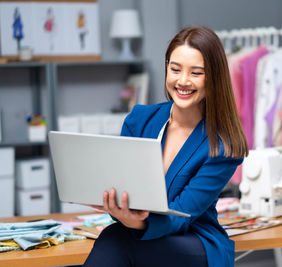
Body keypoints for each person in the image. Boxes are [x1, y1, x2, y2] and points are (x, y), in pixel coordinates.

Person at [84, 26, 248, 267]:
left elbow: (182, 215)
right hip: (137, 235)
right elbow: (126, 192)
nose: (183, 81)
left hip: (193, 240)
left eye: (196, 73)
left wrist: (136, 222)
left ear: (213, 77)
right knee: (116, 238)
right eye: (175, 69)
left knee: (117, 239)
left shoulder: (222, 146)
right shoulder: (139, 120)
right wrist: (115, 205)